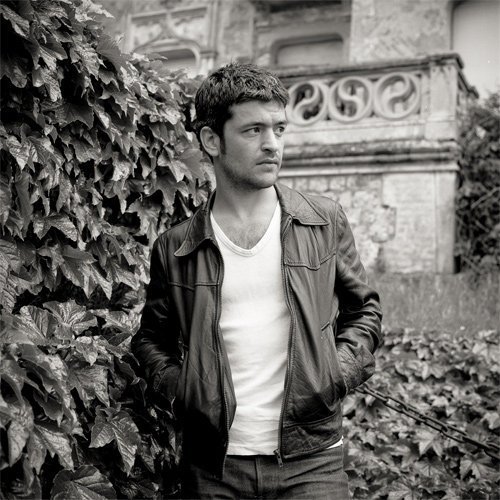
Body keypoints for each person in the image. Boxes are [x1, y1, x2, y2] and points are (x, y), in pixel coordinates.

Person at [131, 62, 382, 499]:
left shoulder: (322, 222)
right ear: (212, 140)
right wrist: (183, 389)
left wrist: (334, 374)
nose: (272, 145)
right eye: (253, 131)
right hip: (214, 465)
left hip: (313, 460)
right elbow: (151, 340)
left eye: (279, 129)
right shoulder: (175, 248)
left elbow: (364, 312)